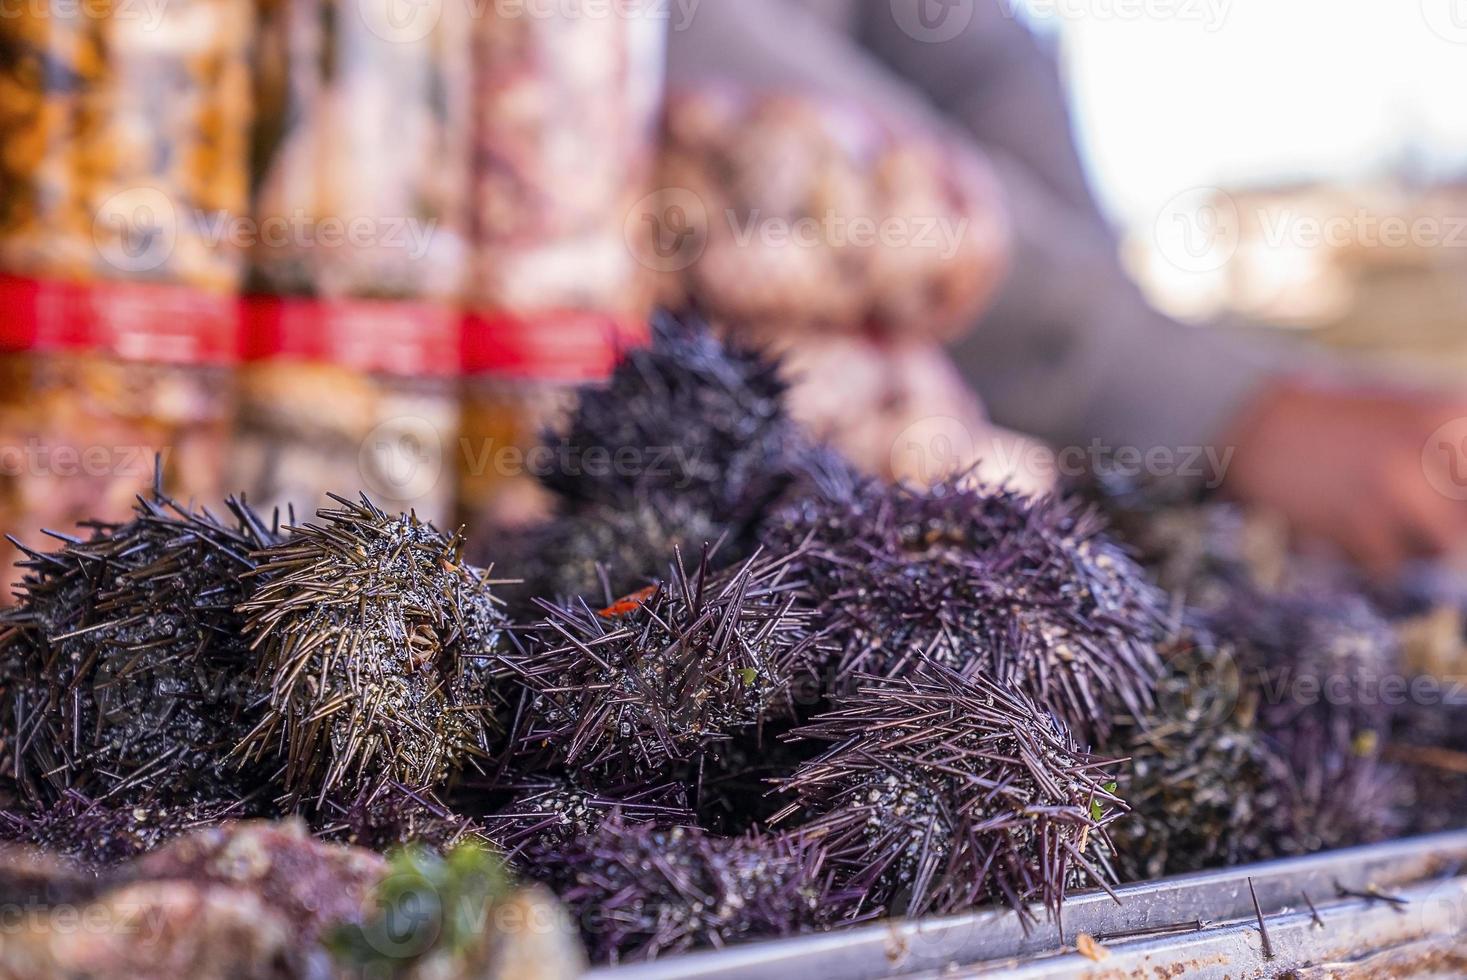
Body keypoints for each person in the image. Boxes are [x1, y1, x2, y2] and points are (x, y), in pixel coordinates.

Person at [666, 0, 1467, 574]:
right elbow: (685, 30)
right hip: (650, 439)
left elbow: (972, 51)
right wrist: (1209, 401)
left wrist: (1149, 373)